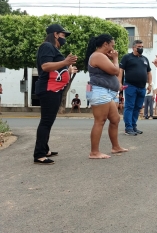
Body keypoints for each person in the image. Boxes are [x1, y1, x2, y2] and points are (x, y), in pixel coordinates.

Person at [33, 24, 78, 164]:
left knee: (48, 121)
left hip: (54, 89)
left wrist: (68, 70)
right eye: (63, 35)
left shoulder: (53, 49)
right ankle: (39, 155)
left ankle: (45, 149)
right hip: (48, 89)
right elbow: (45, 66)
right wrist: (65, 62)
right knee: (46, 121)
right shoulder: (47, 46)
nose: (64, 38)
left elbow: (55, 70)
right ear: (55, 34)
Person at [85, 34, 128, 159]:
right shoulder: (97, 55)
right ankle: (94, 152)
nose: (113, 49)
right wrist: (115, 59)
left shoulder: (101, 56)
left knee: (115, 119)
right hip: (99, 91)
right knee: (100, 121)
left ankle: (115, 147)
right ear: (105, 44)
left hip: (106, 92)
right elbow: (115, 70)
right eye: (112, 45)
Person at [118, 40, 152, 136]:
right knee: (129, 106)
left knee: (137, 107)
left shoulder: (145, 59)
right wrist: (119, 83)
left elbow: (149, 72)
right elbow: (121, 71)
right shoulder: (127, 57)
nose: (141, 48)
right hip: (130, 86)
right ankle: (128, 128)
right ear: (133, 47)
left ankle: (133, 126)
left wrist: (150, 84)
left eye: (142, 46)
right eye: (139, 46)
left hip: (142, 87)